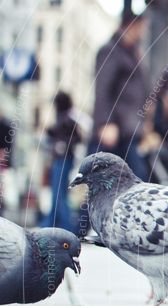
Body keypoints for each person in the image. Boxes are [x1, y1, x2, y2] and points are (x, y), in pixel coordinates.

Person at [90, 9, 150, 180]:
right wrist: (105, 123)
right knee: (102, 184)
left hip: (128, 131)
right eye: (141, 28)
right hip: (114, 130)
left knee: (133, 181)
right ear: (131, 26)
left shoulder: (133, 53)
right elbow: (103, 88)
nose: (142, 33)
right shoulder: (111, 51)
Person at [40, 91, 82, 233]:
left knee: (59, 194)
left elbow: (76, 138)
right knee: (56, 193)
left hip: (63, 159)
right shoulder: (64, 117)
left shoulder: (67, 119)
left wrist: (62, 145)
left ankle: (67, 227)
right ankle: (50, 223)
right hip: (62, 159)